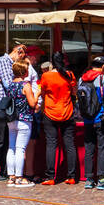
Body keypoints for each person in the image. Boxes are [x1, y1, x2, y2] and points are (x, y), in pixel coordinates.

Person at [0, 42, 26, 182]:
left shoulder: (8, 64)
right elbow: (9, 85)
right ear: (17, 52)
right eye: (20, 58)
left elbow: (8, 82)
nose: (18, 62)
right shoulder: (3, 61)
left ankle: (2, 170)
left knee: (5, 140)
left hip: (4, 105)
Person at [37, 52, 78, 185]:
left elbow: (42, 94)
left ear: (52, 63)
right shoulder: (70, 75)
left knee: (51, 145)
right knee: (70, 145)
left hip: (50, 113)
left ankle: (50, 177)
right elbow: (74, 93)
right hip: (67, 112)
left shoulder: (46, 76)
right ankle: (71, 176)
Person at [79, 56, 104, 190]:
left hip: (87, 119)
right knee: (103, 148)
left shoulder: (82, 79)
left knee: (89, 148)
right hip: (101, 118)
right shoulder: (103, 78)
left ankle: (89, 179)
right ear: (102, 67)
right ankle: (102, 179)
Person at [5, 59, 38, 187]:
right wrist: (38, 94)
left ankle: (11, 177)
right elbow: (32, 103)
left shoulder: (10, 85)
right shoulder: (26, 85)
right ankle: (19, 177)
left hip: (11, 119)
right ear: (24, 72)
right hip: (24, 120)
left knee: (11, 148)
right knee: (20, 149)